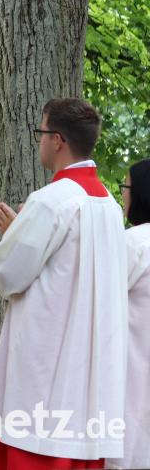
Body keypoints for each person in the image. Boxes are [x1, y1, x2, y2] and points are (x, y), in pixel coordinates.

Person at [0, 98, 127, 467]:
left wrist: (11, 237)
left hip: (48, 358)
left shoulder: (50, 202)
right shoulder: (109, 205)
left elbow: (9, 273)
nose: (39, 141)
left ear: (57, 140)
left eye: (41, 133)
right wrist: (21, 235)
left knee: (35, 442)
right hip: (91, 361)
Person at [107, 159, 150, 469]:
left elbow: (93, 297)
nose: (123, 194)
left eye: (126, 187)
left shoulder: (133, 244)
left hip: (132, 371)